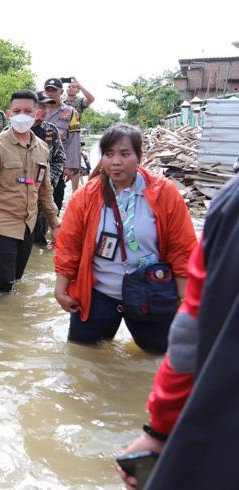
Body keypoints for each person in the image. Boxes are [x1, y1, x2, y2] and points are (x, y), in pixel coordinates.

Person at [116, 177, 239, 489]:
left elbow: (189, 334)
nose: (116, 162)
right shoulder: (90, 193)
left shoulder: (230, 203)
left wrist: (159, 432)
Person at [54, 123, 195, 353]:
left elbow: (182, 247)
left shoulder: (163, 193)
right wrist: (60, 289)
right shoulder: (86, 196)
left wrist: (185, 298)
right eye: (109, 154)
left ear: (139, 155)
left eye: (124, 154)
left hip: (151, 291)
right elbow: (69, 244)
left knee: (160, 359)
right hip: (99, 293)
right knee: (82, 357)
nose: (115, 161)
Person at [0, 90, 59, 293]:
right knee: (2, 288)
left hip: (27, 225)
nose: (22, 115)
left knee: (16, 281)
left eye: (27, 111)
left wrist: (55, 225)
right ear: (8, 113)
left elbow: (45, 191)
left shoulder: (42, 148)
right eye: (17, 111)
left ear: (37, 114)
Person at [32, 91, 67, 246]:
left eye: (46, 106)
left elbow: (60, 159)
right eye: (41, 106)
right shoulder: (12, 130)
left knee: (40, 238)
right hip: (19, 193)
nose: (45, 110)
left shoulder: (51, 130)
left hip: (44, 192)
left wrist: (49, 180)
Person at [44, 77, 82, 193]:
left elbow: (74, 141)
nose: (50, 93)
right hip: (37, 163)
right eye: (48, 90)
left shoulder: (71, 112)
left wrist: (70, 166)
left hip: (58, 166)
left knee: (56, 200)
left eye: (54, 90)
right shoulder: (37, 110)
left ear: (61, 91)